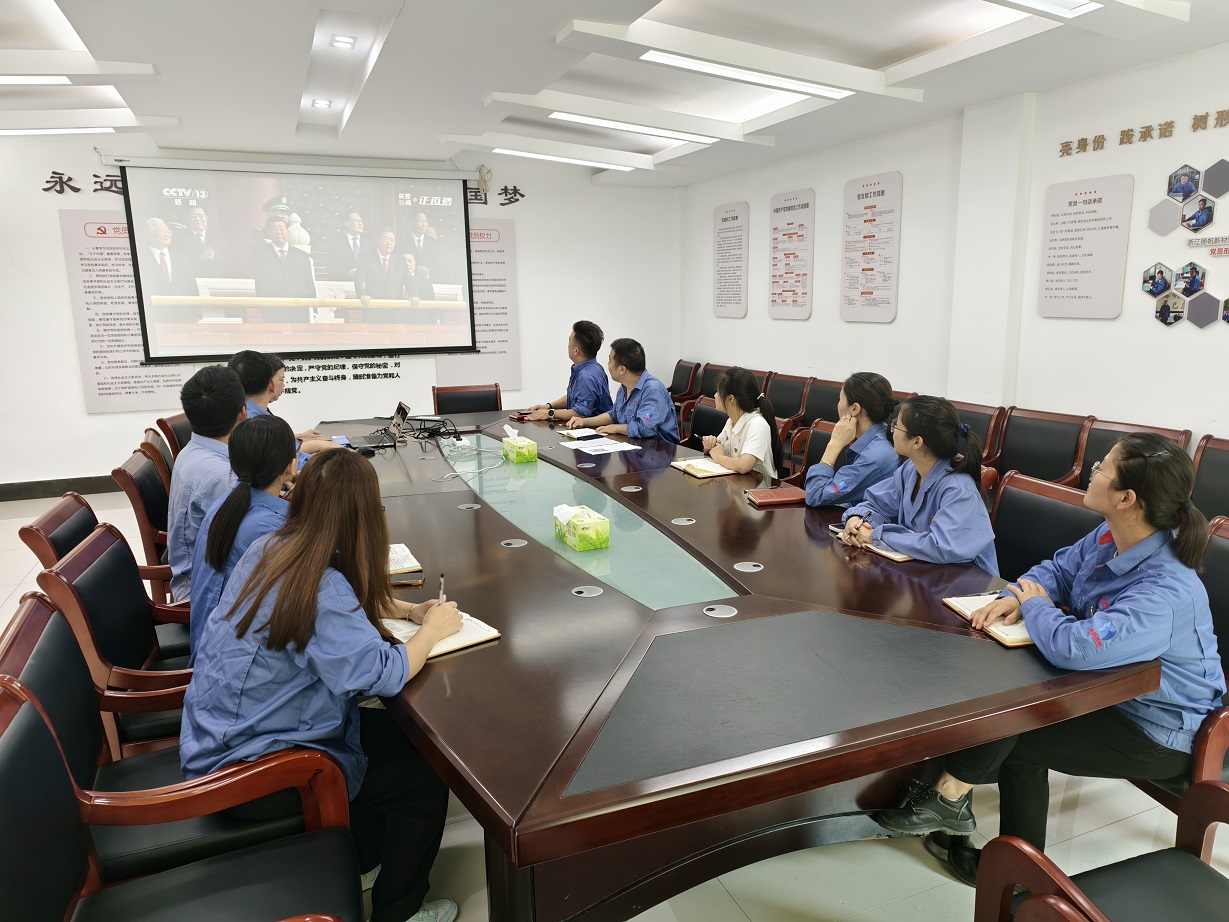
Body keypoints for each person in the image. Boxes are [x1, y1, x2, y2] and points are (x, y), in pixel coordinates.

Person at [875, 434, 1224, 887]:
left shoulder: (1164, 590)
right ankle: (952, 800)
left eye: (1101, 468)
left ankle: (1012, 872)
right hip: (1107, 690)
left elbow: (1074, 648)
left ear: (1126, 499)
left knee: (1017, 735)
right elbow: (1057, 569)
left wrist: (1036, 606)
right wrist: (1015, 595)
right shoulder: (1112, 533)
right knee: (1005, 693)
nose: (1091, 472)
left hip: (1161, 729)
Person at [180, 449, 463, 922]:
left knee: (394, 739)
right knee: (425, 770)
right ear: (366, 517)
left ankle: (361, 861)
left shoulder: (271, 546)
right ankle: (400, 912)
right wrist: (432, 632)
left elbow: (341, 601)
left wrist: (409, 610)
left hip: (219, 741)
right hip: (260, 775)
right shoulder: (319, 587)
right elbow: (384, 673)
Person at [838, 395, 997, 575]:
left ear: (917, 442)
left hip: (966, 582)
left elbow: (940, 546)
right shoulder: (910, 469)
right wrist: (857, 520)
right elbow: (876, 504)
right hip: (924, 573)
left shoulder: (958, 489)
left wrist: (876, 535)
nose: (891, 430)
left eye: (896, 425)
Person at [187, 414, 296, 661]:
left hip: (210, 644)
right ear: (291, 467)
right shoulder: (272, 528)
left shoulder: (225, 503)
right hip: (231, 657)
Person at [168, 365, 247, 601]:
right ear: (243, 413)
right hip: (207, 592)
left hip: (197, 573)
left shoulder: (192, 451)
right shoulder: (222, 478)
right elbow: (249, 544)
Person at [805, 372, 900, 507]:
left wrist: (834, 445)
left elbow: (816, 495)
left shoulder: (872, 458)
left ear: (855, 409)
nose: (838, 405)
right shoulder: (881, 434)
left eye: (840, 399)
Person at [566, 338, 680, 442]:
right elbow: (614, 415)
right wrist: (584, 421)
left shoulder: (653, 390)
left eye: (610, 360)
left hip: (659, 451)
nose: (608, 364)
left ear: (622, 369)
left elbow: (644, 428)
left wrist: (616, 428)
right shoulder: (624, 387)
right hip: (633, 446)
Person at [227, 350, 334, 460]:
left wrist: (300, 437)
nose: (283, 385)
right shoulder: (260, 423)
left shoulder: (243, 413)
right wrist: (319, 446)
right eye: (281, 379)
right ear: (271, 384)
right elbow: (290, 460)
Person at [700, 367, 782, 480]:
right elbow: (717, 448)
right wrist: (709, 446)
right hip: (737, 484)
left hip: (759, 487)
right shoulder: (731, 421)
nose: (715, 395)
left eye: (719, 392)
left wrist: (718, 456)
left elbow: (743, 466)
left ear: (730, 399)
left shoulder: (757, 424)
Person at [527, 321, 614, 422]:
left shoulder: (586, 376)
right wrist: (549, 406)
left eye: (569, 341)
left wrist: (549, 413)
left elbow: (581, 412)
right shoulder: (593, 368)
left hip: (593, 429)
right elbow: (576, 397)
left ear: (576, 351)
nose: (567, 346)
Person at [251, 215, 316, 299]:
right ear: (268, 233)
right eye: (274, 229)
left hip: (299, 305)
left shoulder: (302, 256)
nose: (279, 232)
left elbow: (310, 284)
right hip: (275, 304)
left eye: (281, 229)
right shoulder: (261, 258)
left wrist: (313, 306)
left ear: (287, 231)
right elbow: (260, 286)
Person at [141, 217, 197, 296]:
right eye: (162, 231)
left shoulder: (183, 259)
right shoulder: (141, 259)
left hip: (181, 303)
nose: (167, 234)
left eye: (168, 231)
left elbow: (193, 289)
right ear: (150, 235)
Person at [331, 210, 367, 280]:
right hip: (345, 283)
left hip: (366, 283)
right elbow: (332, 268)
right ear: (346, 223)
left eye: (361, 221)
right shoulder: (336, 244)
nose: (360, 223)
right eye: (356, 221)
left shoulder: (370, 244)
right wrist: (348, 273)